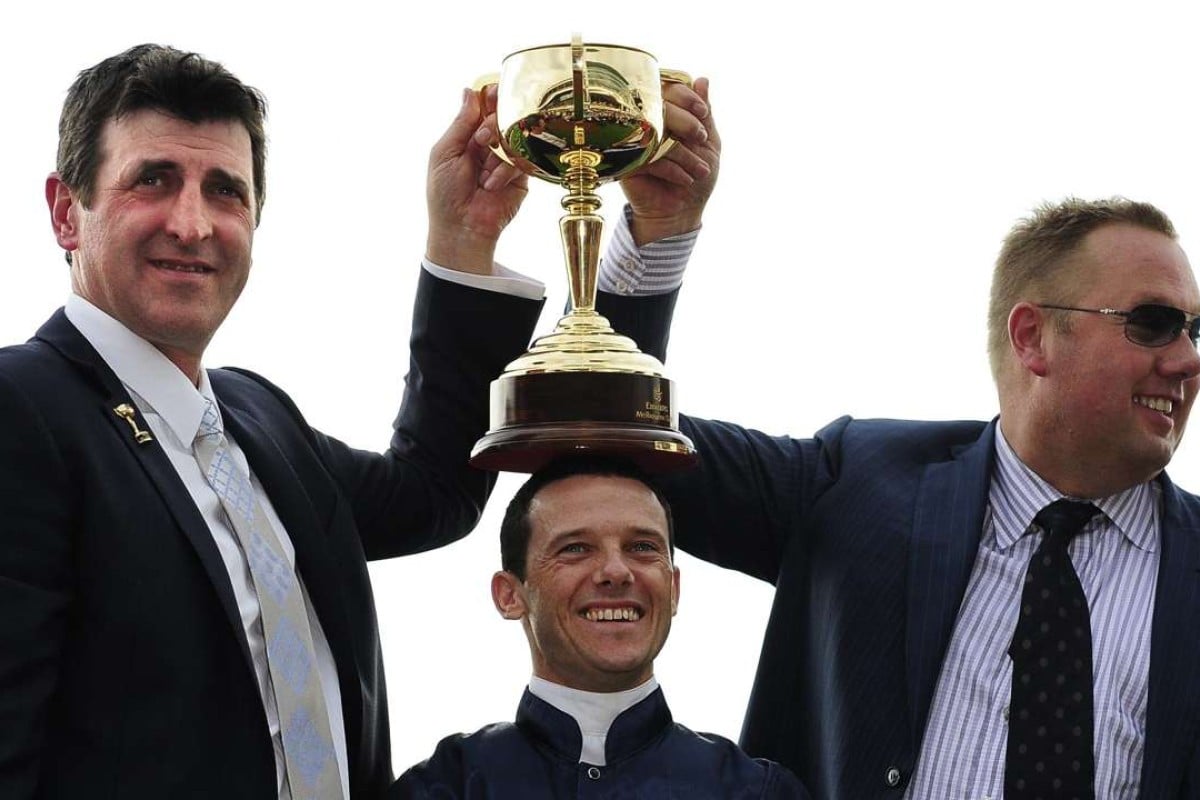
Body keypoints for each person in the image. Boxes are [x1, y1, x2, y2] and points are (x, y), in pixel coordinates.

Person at [0, 44, 717, 799]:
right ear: (64, 212)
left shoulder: (257, 419)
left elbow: (434, 490)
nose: (192, 223)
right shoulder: (22, 410)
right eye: (153, 180)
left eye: (225, 191)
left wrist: (463, 242)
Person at [590, 198, 1200, 799]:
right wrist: (659, 229)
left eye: (1195, 331)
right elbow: (603, 419)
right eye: (1153, 324)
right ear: (1032, 336)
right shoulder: (857, 482)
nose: (1187, 360)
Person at [392, 457, 808, 799]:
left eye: (642, 547)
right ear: (509, 595)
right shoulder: (446, 787)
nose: (616, 571)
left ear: (674, 588)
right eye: (575, 549)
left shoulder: (754, 791)